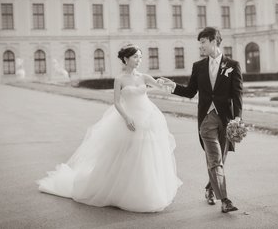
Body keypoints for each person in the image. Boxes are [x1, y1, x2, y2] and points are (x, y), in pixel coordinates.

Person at [37, 44, 182, 212]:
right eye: (135, 57)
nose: (138, 60)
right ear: (126, 59)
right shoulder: (120, 79)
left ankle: (147, 191)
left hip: (148, 119)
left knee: (147, 155)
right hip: (129, 119)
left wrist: (166, 84)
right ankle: (120, 190)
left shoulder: (144, 77)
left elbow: (160, 87)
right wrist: (127, 118)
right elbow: (117, 102)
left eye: (140, 57)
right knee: (126, 155)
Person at [160, 27, 243, 213]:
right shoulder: (198, 66)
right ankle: (225, 200)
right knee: (214, 159)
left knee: (219, 160)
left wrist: (237, 119)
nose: (201, 47)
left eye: (203, 42)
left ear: (214, 41)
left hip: (226, 120)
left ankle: (210, 188)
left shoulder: (233, 65)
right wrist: (172, 86)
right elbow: (190, 92)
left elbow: (237, 95)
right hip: (206, 120)